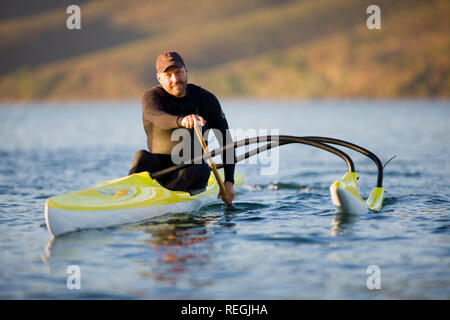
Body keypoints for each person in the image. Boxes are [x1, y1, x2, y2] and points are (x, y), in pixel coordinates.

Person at [129, 51, 235, 205]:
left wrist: (229, 181)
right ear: (159, 78)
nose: (175, 79)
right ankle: (125, 195)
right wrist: (181, 121)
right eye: (168, 75)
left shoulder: (206, 99)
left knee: (194, 168)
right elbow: (158, 117)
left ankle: (160, 204)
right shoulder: (152, 98)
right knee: (142, 157)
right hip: (161, 171)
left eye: (178, 73)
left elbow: (226, 141)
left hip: (195, 172)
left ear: (186, 71)